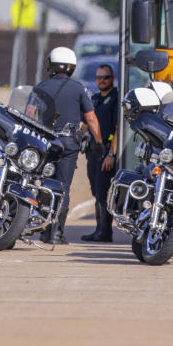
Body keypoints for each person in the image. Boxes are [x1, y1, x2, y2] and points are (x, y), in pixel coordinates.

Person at [36, 47, 104, 245]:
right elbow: (91, 118)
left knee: (45, 183)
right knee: (62, 185)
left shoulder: (41, 86)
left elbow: (30, 111)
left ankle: (44, 228)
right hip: (68, 143)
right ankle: (57, 233)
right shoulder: (79, 88)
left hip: (45, 142)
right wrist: (98, 142)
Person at [82, 64, 118, 243]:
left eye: (106, 77)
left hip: (106, 149)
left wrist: (112, 154)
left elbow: (118, 129)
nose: (102, 81)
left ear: (112, 79)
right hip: (93, 151)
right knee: (96, 190)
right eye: (98, 78)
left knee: (103, 191)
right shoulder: (94, 99)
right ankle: (99, 229)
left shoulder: (115, 99)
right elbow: (85, 123)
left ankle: (105, 231)